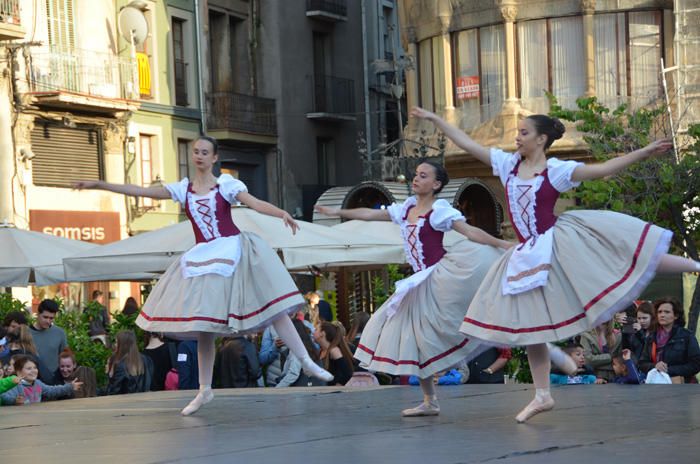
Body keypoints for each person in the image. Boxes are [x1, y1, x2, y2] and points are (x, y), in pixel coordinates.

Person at [409, 108, 699, 422]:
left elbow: (602, 171)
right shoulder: (508, 165)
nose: (517, 137)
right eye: (517, 132)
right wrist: (437, 120)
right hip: (526, 254)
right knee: (530, 325)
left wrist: (643, 152)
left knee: (629, 256)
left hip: (557, 244)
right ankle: (543, 394)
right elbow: (467, 144)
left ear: (541, 138)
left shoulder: (556, 169)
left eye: (523, 133)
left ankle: (696, 263)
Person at [74, 135, 332, 415]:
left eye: (204, 151)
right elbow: (141, 192)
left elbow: (254, 203)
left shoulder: (227, 185)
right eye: (195, 151)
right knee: (204, 326)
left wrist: (281, 212)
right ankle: (205, 389)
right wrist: (100, 184)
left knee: (273, 306)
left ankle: (305, 359)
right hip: (202, 257)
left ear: (214, 157)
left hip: (233, 250)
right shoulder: (183, 189)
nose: (198, 155)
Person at [315, 160, 509, 416]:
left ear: (436, 184)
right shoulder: (406, 209)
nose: (416, 179)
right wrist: (336, 213)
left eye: (423, 175)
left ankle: (498, 337)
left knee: (448, 328)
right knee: (414, 341)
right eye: (416, 175)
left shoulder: (439, 212)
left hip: (439, 278)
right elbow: (371, 214)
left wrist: (503, 245)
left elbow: (471, 232)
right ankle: (430, 401)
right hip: (416, 283)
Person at [638, 297, 700, 383]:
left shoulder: (686, 336)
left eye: (667, 312)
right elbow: (642, 363)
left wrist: (669, 370)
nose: (662, 315)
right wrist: (655, 366)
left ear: (676, 316)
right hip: (657, 385)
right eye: (659, 312)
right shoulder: (652, 337)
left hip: (682, 386)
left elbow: (696, 364)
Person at [1, 355, 81, 405]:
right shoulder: (14, 384)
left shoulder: (38, 383)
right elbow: (3, 396)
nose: (33, 371)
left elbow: (52, 390)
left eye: (35, 368)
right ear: (18, 372)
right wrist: (14, 401)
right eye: (29, 368)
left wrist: (69, 387)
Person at [29, 299, 67, 384]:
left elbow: (64, 356)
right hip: (32, 379)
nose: (48, 321)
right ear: (38, 314)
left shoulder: (59, 333)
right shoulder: (26, 333)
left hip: (55, 378)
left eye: (51, 318)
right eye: (45, 317)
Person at [276, 319, 322, 387]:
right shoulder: (307, 347)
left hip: (298, 392)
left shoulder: (296, 349)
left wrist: (277, 389)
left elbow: (293, 374)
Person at [104, 330, 153, 395]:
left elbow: (114, 392)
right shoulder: (147, 360)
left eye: (116, 342)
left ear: (123, 345)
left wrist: (109, 374)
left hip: (126, 403)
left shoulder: (121, 366)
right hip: (145, 401)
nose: (115, 345)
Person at [314, 321, 354, 386]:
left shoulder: (334, 351)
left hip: (333, 393)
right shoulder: (320, 351)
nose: (313, 331)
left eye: (316, 329)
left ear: (322, 334)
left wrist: (338, 385)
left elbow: (347, 373)